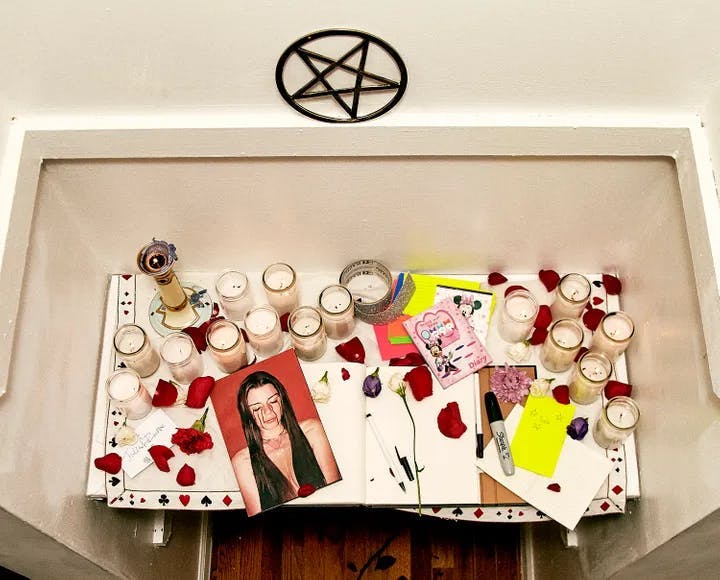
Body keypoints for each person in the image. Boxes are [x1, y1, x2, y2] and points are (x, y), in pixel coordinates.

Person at [231, 370, 341, 515]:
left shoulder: (312, 431)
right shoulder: (242, 461)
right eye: (257, 408)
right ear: (248, 414)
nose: (268, 411)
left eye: (273, 401)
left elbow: (336, 493)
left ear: (282, 401)